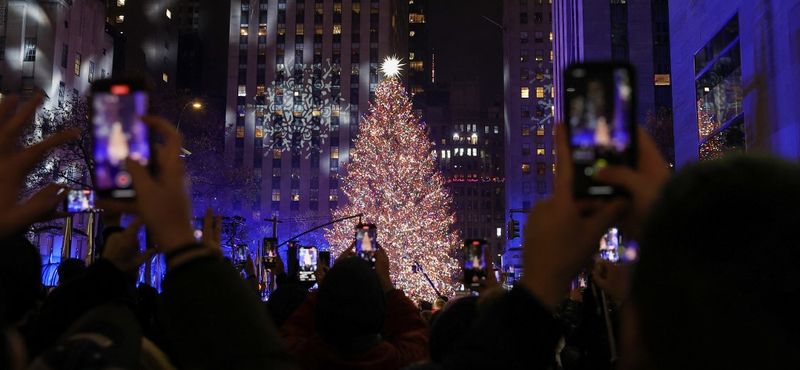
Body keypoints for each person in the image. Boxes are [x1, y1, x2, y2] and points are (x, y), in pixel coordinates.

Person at [279, 248, 429, 370]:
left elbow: (292, 329)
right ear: (380, 311)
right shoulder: (403, 361)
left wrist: (331, 284)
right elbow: (414, 329)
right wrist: (387, 285)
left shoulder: (297, 358)